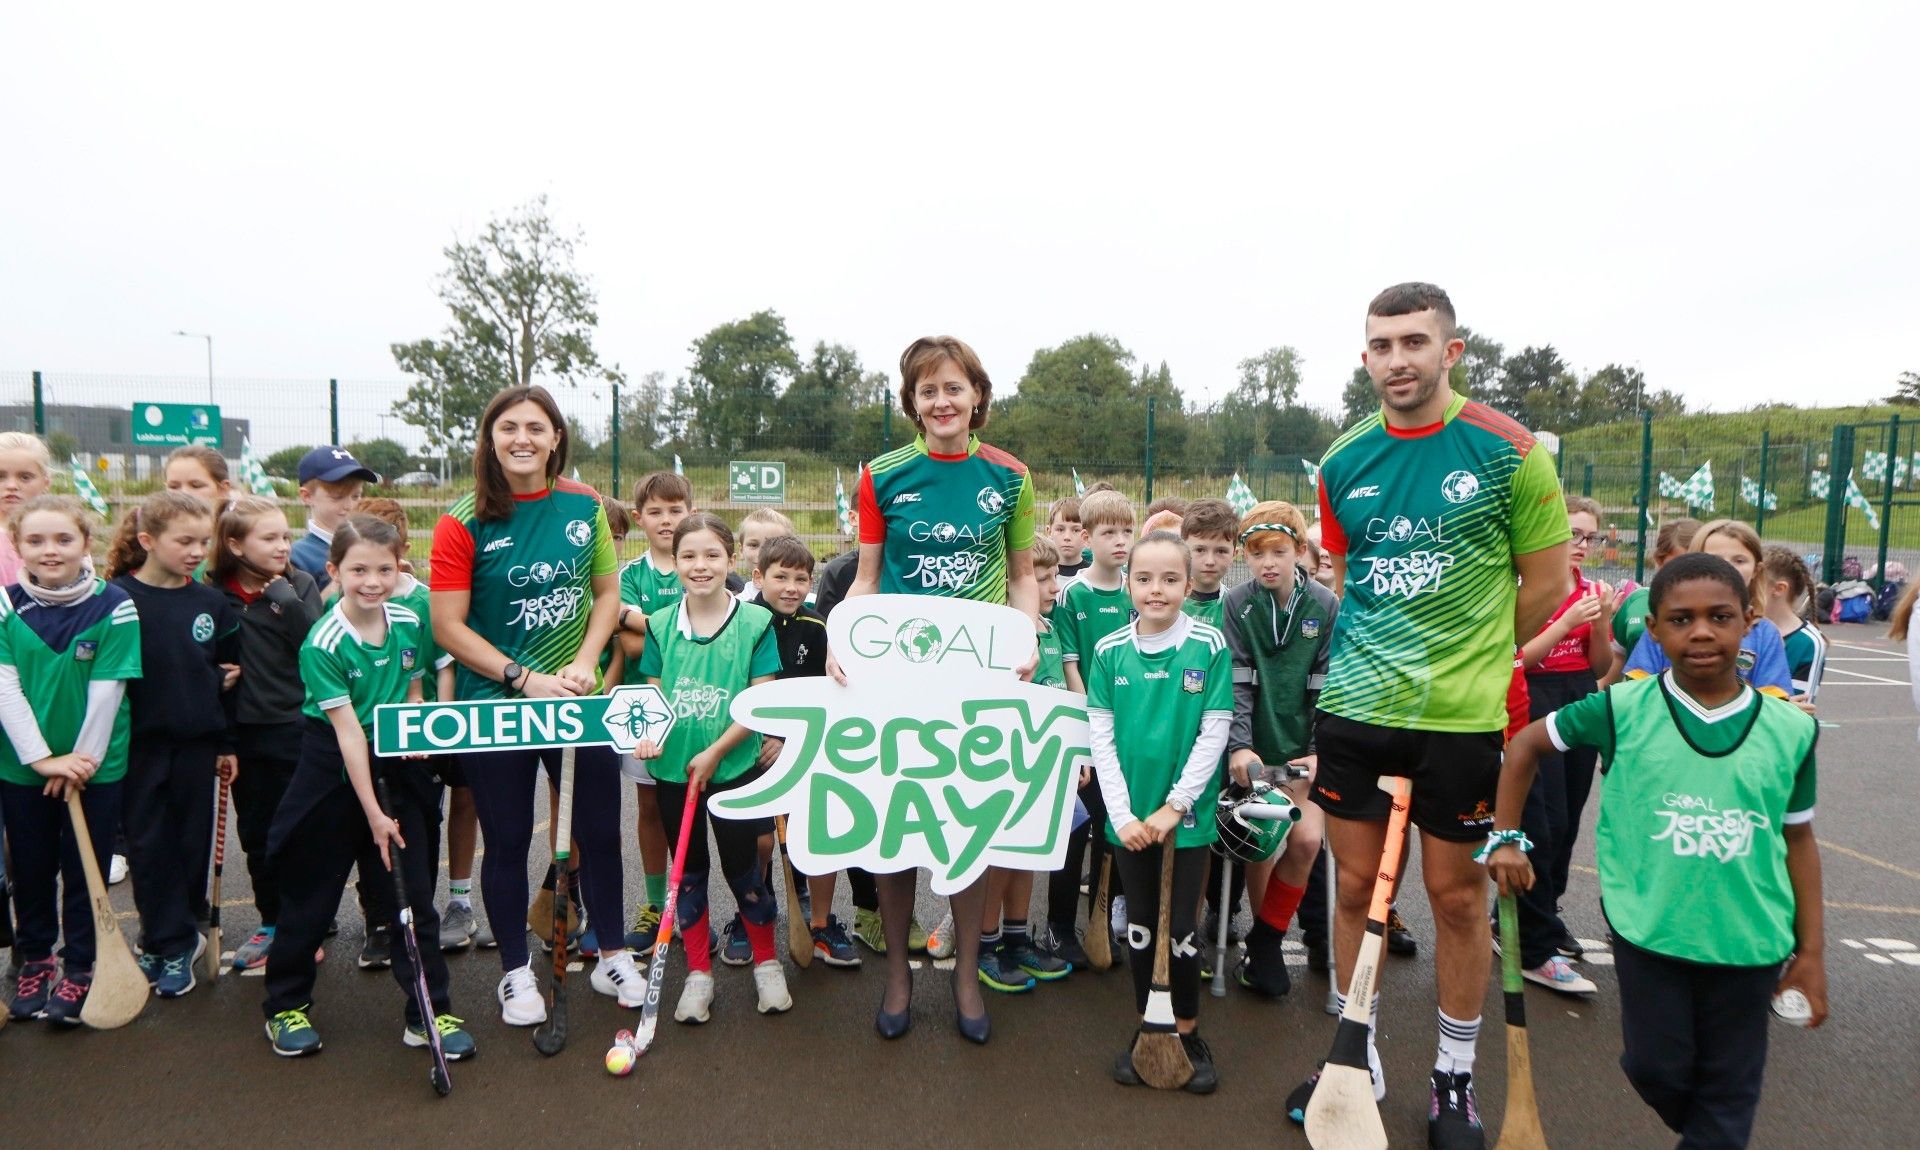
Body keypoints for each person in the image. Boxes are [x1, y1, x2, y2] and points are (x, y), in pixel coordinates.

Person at [1296, 282, 1571, 1150]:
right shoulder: (1342, 462)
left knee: (1456, 899)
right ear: (1366, 356)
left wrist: (1472, 660)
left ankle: (1453, 1078)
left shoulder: (1512, 452)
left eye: (1414, 342)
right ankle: (1356, 1053)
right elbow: (1350, 576)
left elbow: (1549, 588)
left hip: (1458, 721)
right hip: (1355, 708)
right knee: (1350, 890)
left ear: (1451, 351)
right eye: (1381, 345)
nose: (1396, 360)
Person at [1490, 553, 1828, 1149]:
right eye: (1680, 619)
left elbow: (1798, 840)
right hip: (1651, 929)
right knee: (1654, 1068)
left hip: (1751, 940)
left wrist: (1811, 952)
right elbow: (1522, 748)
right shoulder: (1620, 710)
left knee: (1728, 1098)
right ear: (1654, 630)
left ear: (1749, 622)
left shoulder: (1791, 729)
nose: (1701, 631)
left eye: (1719, 616)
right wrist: (1507, 836)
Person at [839, 334, 1041, 1044]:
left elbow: (1022, 578)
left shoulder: (1011, 477)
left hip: (977, 675)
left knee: (969, 820)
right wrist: (844, 643)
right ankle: (897, 974)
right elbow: (865, 579)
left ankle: (964, 975)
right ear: (912, 403)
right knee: (892, 826)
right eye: (928, 390)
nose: (943, 401)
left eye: (954, 387)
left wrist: (1027, 642)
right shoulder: (882, 474)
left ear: (978, 396)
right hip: (896, 673)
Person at [430, 385, 641, 1027]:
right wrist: (521, 677)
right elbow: (448, 625)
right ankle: (517, 972)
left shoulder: (584, 506)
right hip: (496, 705)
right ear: (490, 440)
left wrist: (584, 660)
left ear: (556, 439)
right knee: (510, 838)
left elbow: (607, 594)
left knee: (600, 833)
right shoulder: (461, 520)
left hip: (577, 702)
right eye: (508, 428)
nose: (522, 438)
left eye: (536, 427)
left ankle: (610, 954)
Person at [260, 516, 474, 1060]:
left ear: (399, 566)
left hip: (396, 765)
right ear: (334, 571)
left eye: (384, 568)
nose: (372, 581)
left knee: (413, 901)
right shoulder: (324, 641)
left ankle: (428, 1012)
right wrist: (376, 814)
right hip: (333, 766)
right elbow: (350, 735)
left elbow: (414, 685)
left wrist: (420, 729)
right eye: (358, 570)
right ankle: (285, 1003)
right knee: (311, 895)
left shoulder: (407, 620)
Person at [629, 512, 790, 1021]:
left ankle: (767, 964)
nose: (700, 566)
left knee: (744, 871)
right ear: (674, 563)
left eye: (712, 555)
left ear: (732, 559)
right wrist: (649, 733)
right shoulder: (658, 625)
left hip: (734, 767)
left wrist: (718, 750)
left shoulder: (756, 623)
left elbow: (759, 699)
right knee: (690, 874)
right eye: (689, 556)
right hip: (675, 772)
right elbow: (652, 688)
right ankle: (699, 974)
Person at [1090, 530, 1231, 1092]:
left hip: (1186, 821)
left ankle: (1188, 1028)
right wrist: (1123, 815)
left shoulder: (1209, 646)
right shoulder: (1108, 653)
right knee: (1143, 926)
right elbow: (1101, 739)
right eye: (1144, 579)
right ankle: (1150, 1023)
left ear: (1188, 584)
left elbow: (1214, 731)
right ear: (1128, 586)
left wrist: (1176, 806)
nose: (1157, 590)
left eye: (1170, 579)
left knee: (1182, 930)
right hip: (1129, 820)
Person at [0, 495, 142, 1024]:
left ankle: (81, 963)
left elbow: (109, 690)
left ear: (86, 543)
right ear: (18, 547)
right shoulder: (6, 604)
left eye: (63, 539)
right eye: (35, 540)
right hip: (22, 767)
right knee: (31, 868)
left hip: (95, 765)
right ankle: (36, 959)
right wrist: (41, 760)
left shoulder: (115, 605)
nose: (50, 550)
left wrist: (79, 761)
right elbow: (5, 689)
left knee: (86, 871)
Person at [106, 491, 240, 998]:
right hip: (135, 749)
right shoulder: (115, 599)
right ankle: (160, 937)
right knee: (146, 847)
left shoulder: (210, 603)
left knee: (189, 846)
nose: (196, 551)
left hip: (196, 747)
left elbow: (230, 673)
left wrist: (227, 743)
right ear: (147, 541)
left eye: (203, 542)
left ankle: (181, 940)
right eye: (183, 541)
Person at [1221, 500, 1337, 997]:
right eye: (1256, 552)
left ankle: (1265, 938)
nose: (1267, 562)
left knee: (1307, 840)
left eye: (1278, 551)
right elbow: (1237, 683)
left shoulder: (1326, 606)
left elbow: (1328, 686)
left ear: (1300, 551)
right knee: (1261, 843)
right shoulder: (1236, 603)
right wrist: (1241, 747)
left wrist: (1317, 749)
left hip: (1303, 754)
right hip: (1255, 755)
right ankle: (1263, 954)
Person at [357, 498, 479, 950]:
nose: (372, 573)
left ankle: (456, 902)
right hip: (374, 735)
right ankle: (383, 918)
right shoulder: (344, 606)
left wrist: (437, 722)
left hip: (432, 726)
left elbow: (441, 664)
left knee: (449, 808)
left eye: (383, 558)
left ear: (402, 551)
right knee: (384, 822)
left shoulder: (425, 602)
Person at [214, 496, 326, 973]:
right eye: (269, 538)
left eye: (285, 536)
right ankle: (273, 921)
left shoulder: (300, 584)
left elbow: (319, 643)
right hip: (246, 736)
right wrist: (212, 677)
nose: (283, 546)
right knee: (257, 835)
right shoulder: (215, 594)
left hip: (298, 730)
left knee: (302, 833)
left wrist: (286, 601)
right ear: (235, 544)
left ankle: (305, 925)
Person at [1511, 494, 1615, 993]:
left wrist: (1601, 624)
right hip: (1535, 696)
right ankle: (1536, 942)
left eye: (1588, 537)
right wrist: (1567, 623)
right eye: (1571, 534)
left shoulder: (1592, 589)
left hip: (1579, 696)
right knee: (1541, 821)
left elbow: (1600, 667)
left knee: (1569, 819)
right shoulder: (1528, 588)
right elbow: (1519, 660)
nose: (1580, 545)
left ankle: (1540, 913)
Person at [751, 534, 857, 966]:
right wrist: (762, 739)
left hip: (806, 747)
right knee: (759, 842)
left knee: (817, 836)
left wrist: (791, 740)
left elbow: (825, 697)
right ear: (758, 577)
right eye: (780, 577)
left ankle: (820, 924)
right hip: (752, 750)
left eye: (801, 578)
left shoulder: (817, 628)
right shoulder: (742, 622)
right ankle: (751, 917)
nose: (791, 587)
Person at [1057, 488, 1138, 951]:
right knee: (1074, 832)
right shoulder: (1074, 595)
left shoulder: (1137, 589)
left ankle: (1101, 924)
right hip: (1087, 732)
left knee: (1114, 831)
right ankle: (1060, 928)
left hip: (1130, 734)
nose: (1120, 541)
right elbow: (1071, 666)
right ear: (1088, 538)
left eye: (1127, 531)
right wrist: (1093, 725)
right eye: (1109, 532)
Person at [1623, 519, 1793, 698]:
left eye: (1739, 560)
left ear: (1756, 570)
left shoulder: (1765, 634)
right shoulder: (1666, 624)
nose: (1728, 567)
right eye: (1715, 559)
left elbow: (1773, 704)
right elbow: (1636, 693)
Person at [1603, 517, 1699, 687]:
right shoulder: (1636, 602)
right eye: (1676, 565)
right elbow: (1618, 655)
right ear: (1659, 561)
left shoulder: (1719, 614)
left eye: (1695, 566)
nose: (1685, 575)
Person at [288, 446, 376, 592]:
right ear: (307, 496)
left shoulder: (371, 545)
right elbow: (305, 613)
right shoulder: (297, 557)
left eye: (356, 496)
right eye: (337, 497)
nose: (349, 505)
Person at [1762, 545, 1828, 707]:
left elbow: (1799, 710)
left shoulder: (1808, 642)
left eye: (1753, 582)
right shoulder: (1742, 628)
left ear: (1779, 589)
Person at [0, 432, 52, 587]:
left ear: (46, 483)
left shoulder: (64, 535)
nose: (11, 486)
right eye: (0, 477)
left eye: (25, 477)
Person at [1179, 498, 1238, 630]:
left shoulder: (1237, 608)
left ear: (1234, 554)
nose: (1210, 561)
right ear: (1183, 549)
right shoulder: (1167, 603)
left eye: (1221, 551)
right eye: (1200, 550)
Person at [734, 508, 795, 603]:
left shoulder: (810, 603)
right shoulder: (735, 606)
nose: (761, 554)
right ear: (741, 550)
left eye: (773, 545)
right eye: (753, 545)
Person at [163, 445, 235, 511]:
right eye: (173, 487)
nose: (183, 493)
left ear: (223, 489)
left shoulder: (239, 523)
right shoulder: (154, 524)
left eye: (196, 486)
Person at [1047, 496, 1088, 581]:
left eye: (1076, 530)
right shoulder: (1040, 575)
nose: (1067, 537)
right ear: (1049, 531)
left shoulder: (1093, 576)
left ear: (1086, 535)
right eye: (1060, 529)